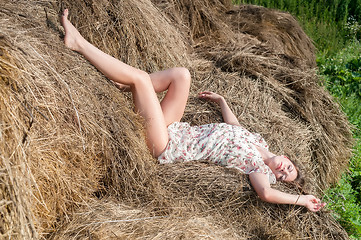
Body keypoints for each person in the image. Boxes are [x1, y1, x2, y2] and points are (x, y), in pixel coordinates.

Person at [60, 9, 326, 212]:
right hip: (175, 129)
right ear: (287, 156)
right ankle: (124, 83)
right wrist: (223, 102)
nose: (281, 170)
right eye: (287, 167)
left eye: (283, 176)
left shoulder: (257, 168)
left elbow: (266, 194)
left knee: (141, 78)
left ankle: (79, 43)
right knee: (182, 75)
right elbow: (235, 128)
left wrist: (301, 200)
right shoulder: (258, 143)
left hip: (165, 146)